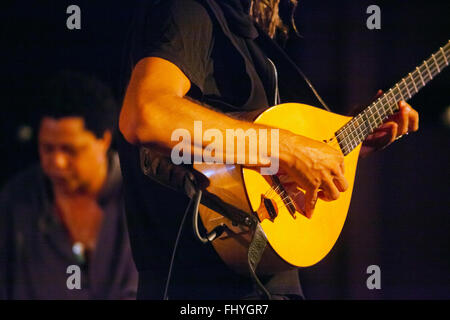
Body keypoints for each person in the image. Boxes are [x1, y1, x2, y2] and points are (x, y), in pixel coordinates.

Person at [117, 0, 419, 299]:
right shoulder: (188, 9)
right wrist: (286, 149)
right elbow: (147, 114)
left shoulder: (245, 31)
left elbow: (247, 148)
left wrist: (344, 142)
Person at [0, 71, 138, 299]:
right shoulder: (15, 201)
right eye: (47, 148)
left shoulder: (141, 196)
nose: (56, 162)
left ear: (104, 140)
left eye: (70, 150)